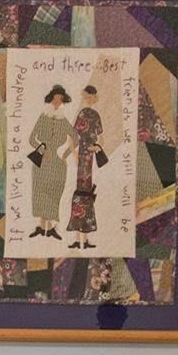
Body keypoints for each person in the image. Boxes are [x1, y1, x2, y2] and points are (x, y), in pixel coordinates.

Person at [23, 86, 72, 240]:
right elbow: (31, 139)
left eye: (60, 99)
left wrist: (65, 155)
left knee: (53, 192)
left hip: (57, 164)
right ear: (51, 99)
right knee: (40, 192)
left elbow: (76, 138)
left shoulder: (63, 120)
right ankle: (41, 226)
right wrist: (43, 151)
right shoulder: (43, 117)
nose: (57, 102)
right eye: (55, 98)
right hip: (41, 162)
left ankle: (50, 228)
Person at [66, 83, 111, 245]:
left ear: (93, 98)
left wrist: (95, 147)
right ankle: (79, 238)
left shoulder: (94, 115)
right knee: (82, 191)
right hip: (83, 157)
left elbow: (102, 140)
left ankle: (83, 238)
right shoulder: (83, 114)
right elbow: (71, 138)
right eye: (85, 97)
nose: (86, 100)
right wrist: (75, 154)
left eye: (88, 97)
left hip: (90, 157)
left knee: (87, 192)